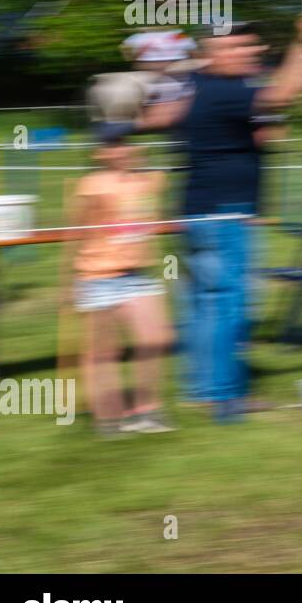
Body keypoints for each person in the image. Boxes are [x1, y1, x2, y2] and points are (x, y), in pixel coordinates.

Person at [139, 14, 302, 420]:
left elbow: (267, 117)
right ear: (213, 52)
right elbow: (286, 93)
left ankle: (202, 390)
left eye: (252, 46)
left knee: (204, 306)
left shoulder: (198, 86)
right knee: (229, 308)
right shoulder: (224, 90)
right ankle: (226, 399)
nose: (250, 52)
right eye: (239, 47)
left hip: (198, 213)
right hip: (224, 216)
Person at [71, 119, 174, 435]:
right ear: (99, 153)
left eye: (127, 142)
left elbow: (167, 173)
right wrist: (71, 282)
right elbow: (76, 233)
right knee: (104, 351)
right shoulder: (91, 186)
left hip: (138, 275)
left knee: (157, 338)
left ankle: (146, 409)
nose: (122, 149)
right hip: (99, 275)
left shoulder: (146, 181)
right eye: (113, 144)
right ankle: (108, 417)